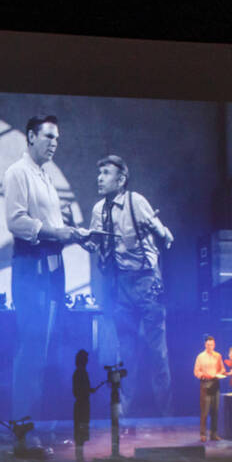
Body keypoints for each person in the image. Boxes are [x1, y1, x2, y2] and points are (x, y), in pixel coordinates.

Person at [3, 114, 82, 420]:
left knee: (42, 350)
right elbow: (16, 221)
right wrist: (57, 233)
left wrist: (76, 234)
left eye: (57, 139)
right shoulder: (17, 173)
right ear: (31, 136)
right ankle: (23, 428)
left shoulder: (46, 178)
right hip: (30, 268)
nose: (54, 144)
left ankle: (29, 424)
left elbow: (56, 230)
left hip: (51, 269)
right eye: (49, 137)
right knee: (31, 348)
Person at [90, 155, 174, 417]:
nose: (100, 178)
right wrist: (87, 242)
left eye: (106, 173)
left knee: (157, 353)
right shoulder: (98, 210)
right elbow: (96, 244)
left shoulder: (135, 201)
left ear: (121, 179)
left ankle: (167, 417)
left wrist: (162, 233)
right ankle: (123, 419)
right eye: (99, 172)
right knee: (126, 354)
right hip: (120, 287)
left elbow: (165, 235)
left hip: (147, 283)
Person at [72, 349, 105, 462]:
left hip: (83, 404)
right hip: (82, 405)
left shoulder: (81, 372)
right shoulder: (80, 372)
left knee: (82, 429)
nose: (88, 360)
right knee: (80, 430)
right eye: (86, 358)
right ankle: (79, 458)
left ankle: (80, 457)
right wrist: (87, 391)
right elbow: (77, 391)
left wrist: (89, 390)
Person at [193, 335, 224, 442]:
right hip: (205, 384)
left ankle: (214, 434)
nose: (210, 346)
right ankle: (203, 434)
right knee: (205, 411)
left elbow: (222, 369)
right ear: (205, 345)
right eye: (208, 345)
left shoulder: (218, 356)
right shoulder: (200, 356)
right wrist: (203, 375)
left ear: (214, 345)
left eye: (212, 344)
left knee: (215, 410)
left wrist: (219, 374)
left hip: (215, 384)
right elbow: (196, 371)